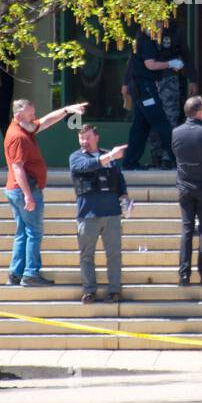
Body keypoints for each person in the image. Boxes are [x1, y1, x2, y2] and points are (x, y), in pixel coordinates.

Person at [4, 96, 87, 286]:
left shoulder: (24, 127)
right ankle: (31, 274)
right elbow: (18, 168)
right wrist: (28, 195)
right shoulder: (18, 136)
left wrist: (67, 109)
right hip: (24, 190)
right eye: (30, 113)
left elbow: (46, 121)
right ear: (19, 115)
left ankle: (16, 273)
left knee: (23, 232)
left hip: (16, 189)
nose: (34, 116)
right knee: (34, 232)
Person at [69, 124, 129, 305]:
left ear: (97, 138)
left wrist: (125, 198)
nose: (84, 142)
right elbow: (86, 166)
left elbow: (119, 180)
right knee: (86, 255)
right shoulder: (76, 157)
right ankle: (89, 291)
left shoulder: (110, 158)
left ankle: (114, 290)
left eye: (87, 137)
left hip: (112, 213)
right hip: (88, 214)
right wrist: (110, 156)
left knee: (114, 254)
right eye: (81, 138)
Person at [171, 94, 202, 286]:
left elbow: (176, 153)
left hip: (185, 186)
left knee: (186, 230)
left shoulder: (176, 132)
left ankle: (184, 275)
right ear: (200, 111)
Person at [122, 29, 179, 170]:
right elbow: (150, 64)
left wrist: (125, 83)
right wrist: (171, 63)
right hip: (145, 88)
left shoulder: (138, 39)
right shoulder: (146, 40)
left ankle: (130, 162)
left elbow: (131, 63)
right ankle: (179, 159)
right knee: (162, 122)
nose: (160, 26)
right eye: (158, 22)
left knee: (140, 127)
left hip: (140, 87)